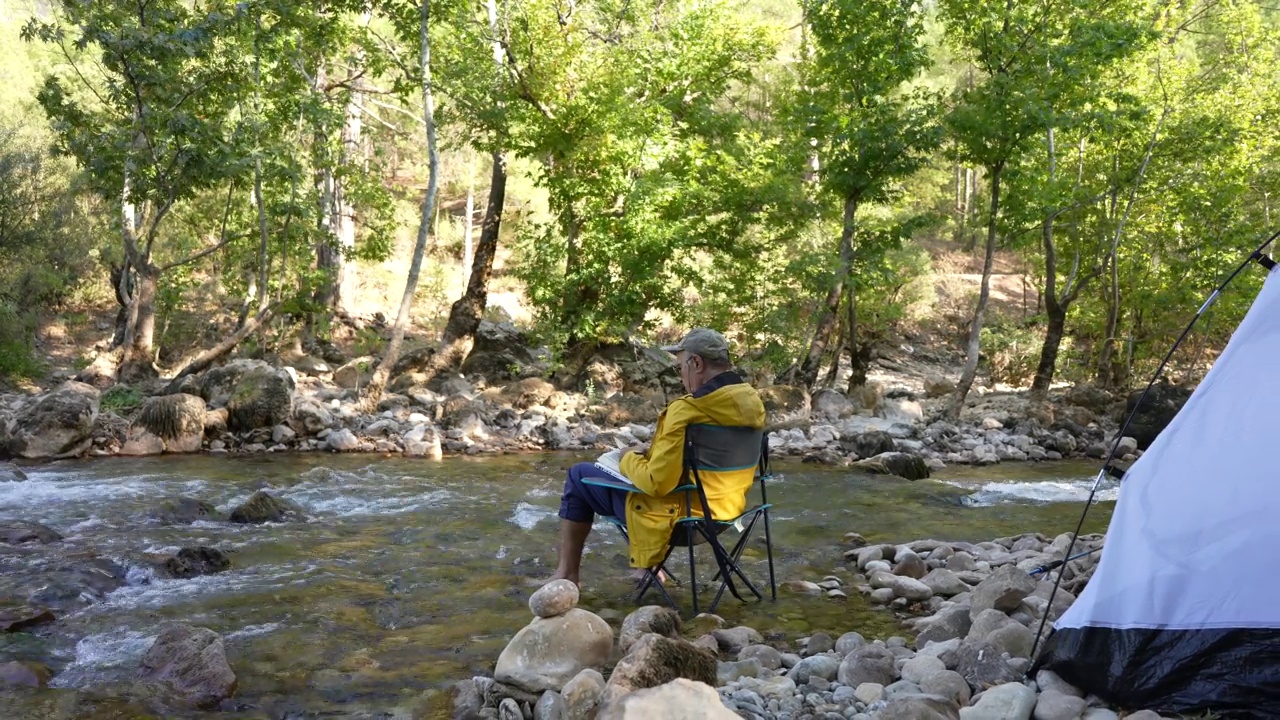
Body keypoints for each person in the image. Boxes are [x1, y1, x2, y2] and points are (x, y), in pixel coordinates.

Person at [548, 327, 766, 586]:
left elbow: (657, 483)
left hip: (681, 522)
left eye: (679, 368)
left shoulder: (686, 411)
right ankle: (648, 568)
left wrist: (627, 458)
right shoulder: (754, 405)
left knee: (578, 475)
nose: (680, 376)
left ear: (696, 363)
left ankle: (567, 574)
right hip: (726, 515)